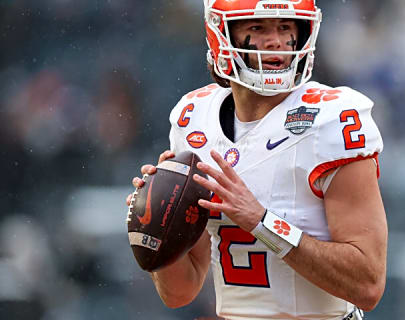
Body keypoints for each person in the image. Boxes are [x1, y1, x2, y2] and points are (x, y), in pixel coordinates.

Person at [125, 0, 387, 319]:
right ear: (221, 33)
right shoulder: (194, 119)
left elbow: (367, 284)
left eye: (285, 27)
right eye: (257, 28)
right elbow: (181, 292)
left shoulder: (332, 119)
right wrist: (156, 230)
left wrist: (263, 222)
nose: (275, 40)